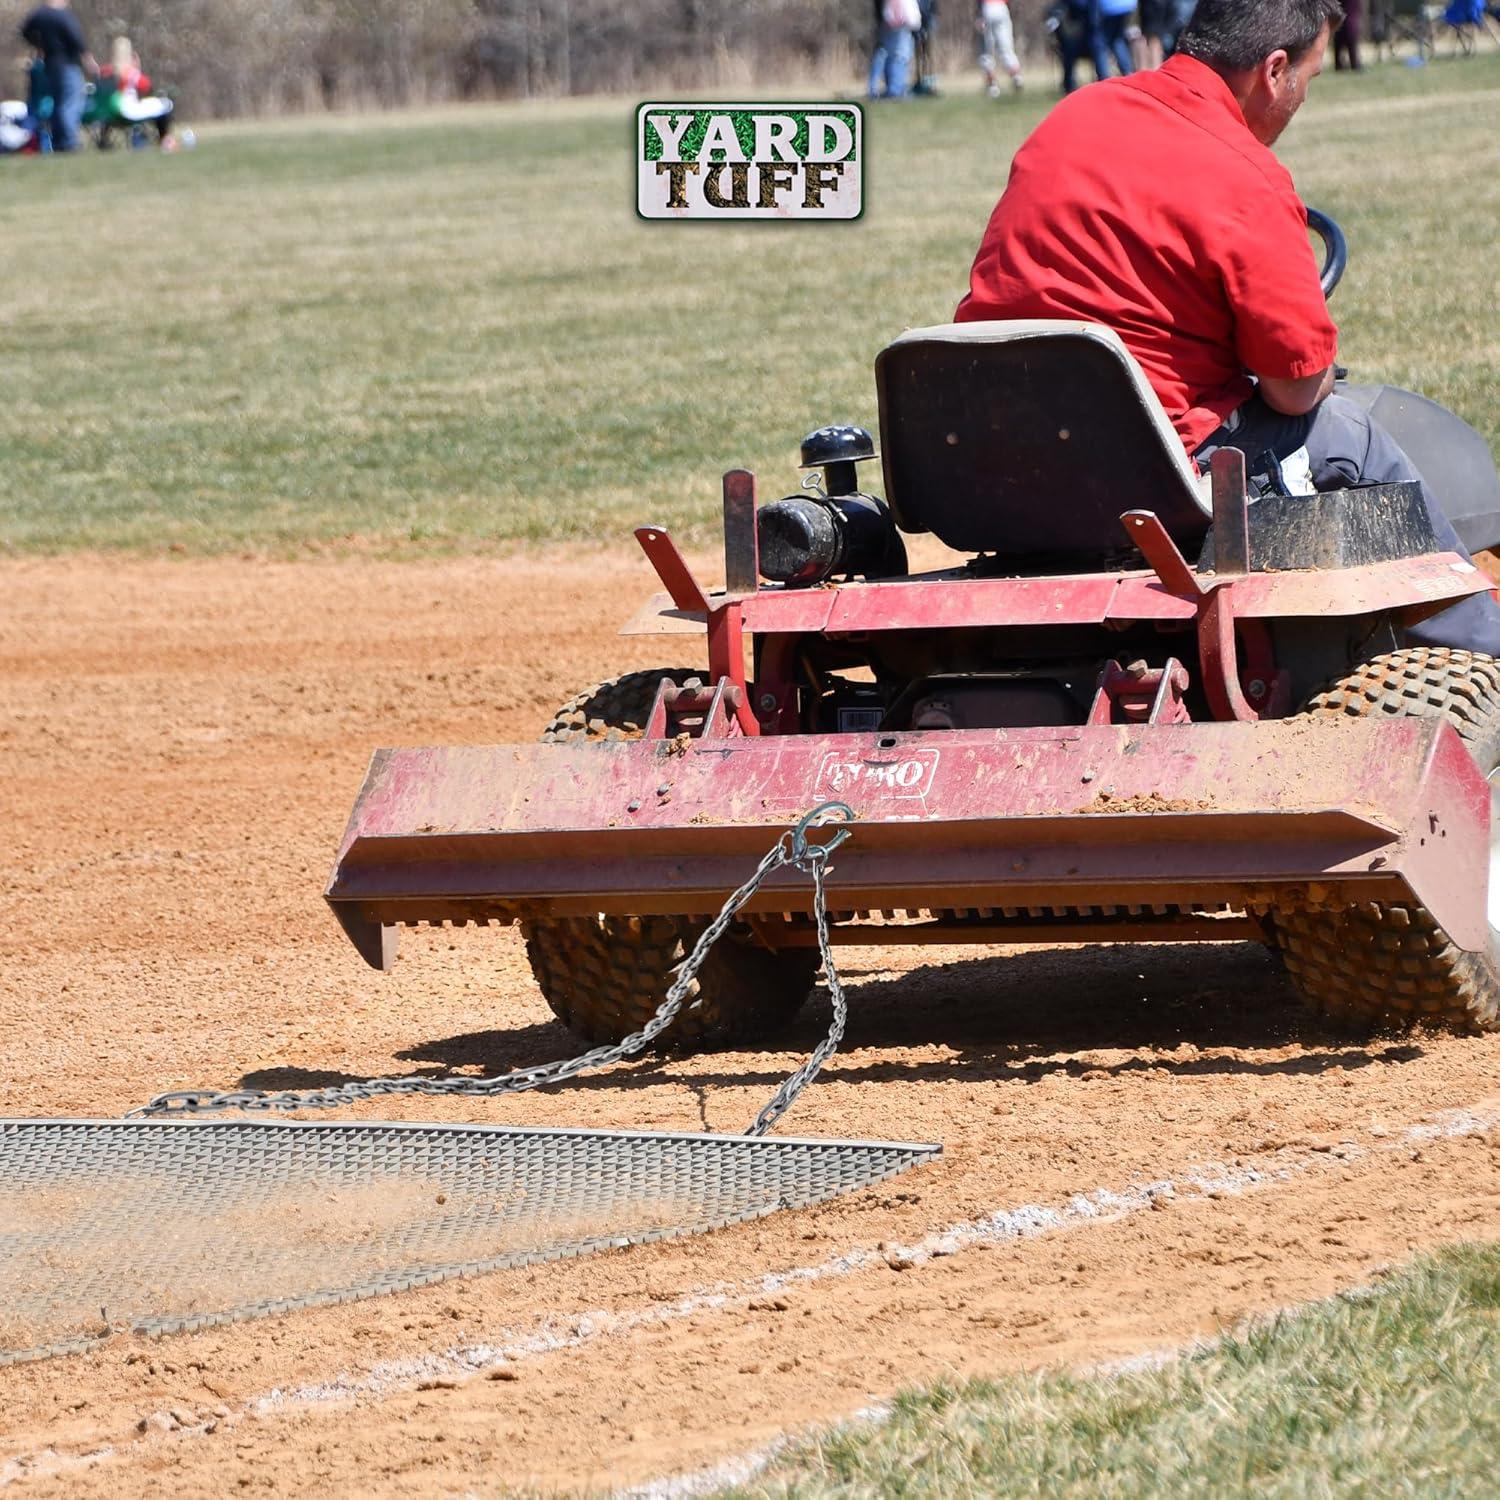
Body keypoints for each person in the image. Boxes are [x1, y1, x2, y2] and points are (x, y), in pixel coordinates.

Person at [955, 0, 1500, 653]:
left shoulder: (1073, 115)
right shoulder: (1244, 173)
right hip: (1149, 473)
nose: (1301, 98)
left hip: (992, 457)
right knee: (1346, 434)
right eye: (1309, 78)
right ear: (1274, 70)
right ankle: (1482, 663)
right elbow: (1294, 392)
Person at [19, 0, 95, 152]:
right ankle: (69, 142)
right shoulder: (62, 16)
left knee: (59, 103)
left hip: (50, 65)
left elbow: (25, 32)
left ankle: (59, 142)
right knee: (70, 102)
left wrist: (39, 45)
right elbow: (76, 39)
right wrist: (89, 60)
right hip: (68, 64)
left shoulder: (39, 15)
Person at [869, 0, 922, 99]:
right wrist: (909, 22)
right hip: (900, 27)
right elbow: (899, 12)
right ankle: (895, 90)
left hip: (898, 27)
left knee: (896, 58)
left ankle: (895, 89)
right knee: (899, 58)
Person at [978, 0, 1025, 95]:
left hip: (987, 8)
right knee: (1006, 48)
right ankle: (1016, 77)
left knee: (987, 51)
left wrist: (978, 15)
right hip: (1002, 8)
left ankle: (993, 86)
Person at [1090, 0, 1138, 77]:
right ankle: (1128, 73)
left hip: (1108, 8)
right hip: (1127, 5)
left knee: (1100, 45)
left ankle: (1104, 78)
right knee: (1117, 41)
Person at [1333, 0, 1363, 67]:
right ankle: (1353, 63)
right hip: (1349, 24)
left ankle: (1341, 64)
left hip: (1341, 24)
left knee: (1340, 48)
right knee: (1351, 48)